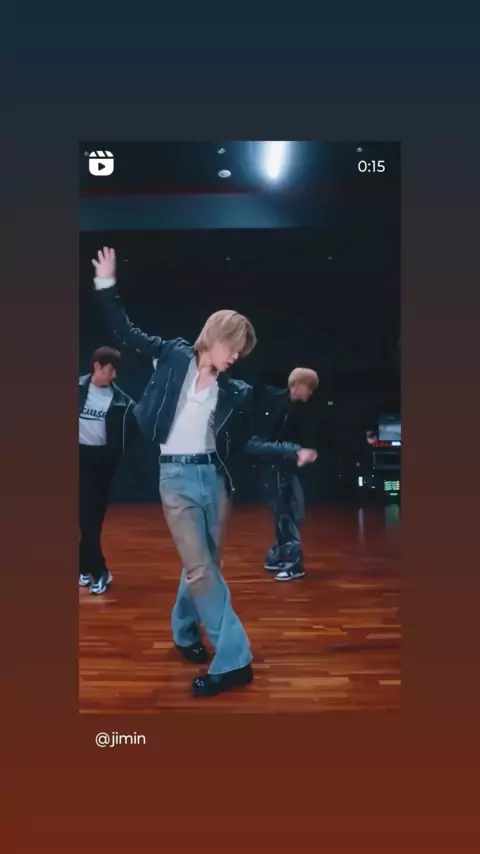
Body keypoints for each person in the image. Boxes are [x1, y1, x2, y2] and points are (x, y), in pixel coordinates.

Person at [91, 247, 316, 697]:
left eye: (242, 352)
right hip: (174, 480)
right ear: (214, 336)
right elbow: (125, 332)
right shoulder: (173, 355)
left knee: (204, 565)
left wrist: (290, 451)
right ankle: (235, 659)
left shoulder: (235, 391)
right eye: (234, 347)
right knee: (199, 568)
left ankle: (184, 630)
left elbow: (245, 442)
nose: (236, 357)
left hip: (214, 481)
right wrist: (106, 285)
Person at [79, 346, 137, 594]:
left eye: (115, 372)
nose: (113, 376)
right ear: (97, 366)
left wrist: (112, 456)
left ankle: (100, 572)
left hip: (99, 464)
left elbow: (128, 435)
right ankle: (84, 567)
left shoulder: (122, 402)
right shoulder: (77, 389)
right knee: (83, 521)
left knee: (91, 522)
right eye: (109, 371)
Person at [253, 368, 319, 581]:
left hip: (289, 468)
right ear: (297, 385)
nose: (311, 392)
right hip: (273, 466)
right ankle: (287, 558)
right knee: (283, 512)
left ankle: (286, 556)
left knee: (291, 512)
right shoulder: (273, 400)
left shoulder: (303, 411)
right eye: (309, 387)